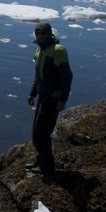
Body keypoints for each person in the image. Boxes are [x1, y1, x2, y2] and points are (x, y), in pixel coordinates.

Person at [27, 23, 73, 183]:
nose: (39, 36)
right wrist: (33, 93)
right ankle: (41, 159)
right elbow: (38, 76)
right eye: (37, 33)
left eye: (42, 33)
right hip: (43, 97)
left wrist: (62, 99)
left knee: (41, 133)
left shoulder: (58, 51)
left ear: (49, 34)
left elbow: (67, 76)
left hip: (53, 98)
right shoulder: (39, 50)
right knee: (36, 132)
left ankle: (48, 167)